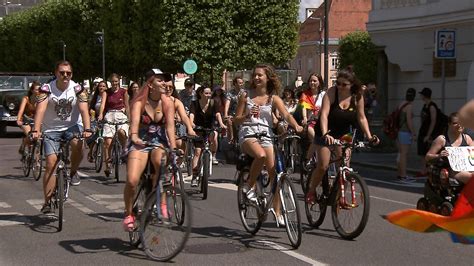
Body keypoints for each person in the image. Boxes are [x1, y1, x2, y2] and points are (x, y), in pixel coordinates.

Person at [234, 64, 303, 225]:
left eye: (260, 75)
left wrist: (297, 126)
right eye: (255, 75)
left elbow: (286, 114)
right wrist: (247, 115)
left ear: (268, 78)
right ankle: (249, 188)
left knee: (275, 176)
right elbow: (236, 120)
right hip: (248, 134)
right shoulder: (246, 95)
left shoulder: (274, 99)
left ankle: (277, 212)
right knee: (261, 155)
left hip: (266, 135)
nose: (256, 78)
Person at [305, 69, 379, 203]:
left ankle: (338, 198)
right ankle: (311, 191)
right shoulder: (332, 92)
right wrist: (326, 133)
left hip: (344, 133)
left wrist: (369, 137)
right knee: (323, 165)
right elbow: (324, 115)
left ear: (352, 85)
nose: (340, 86)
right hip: (325, 131)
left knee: (344, 166)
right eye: (338, 83)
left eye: (344, 84)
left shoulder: (357, 96)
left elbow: (361, 118)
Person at [31, 60, 92, 213]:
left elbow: (84, 110)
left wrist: (88, 128)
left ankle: (73, 172)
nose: (65, 75)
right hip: (51, 129)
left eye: (68, 73)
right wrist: (36, 130)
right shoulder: (46, 89)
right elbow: (40, 110)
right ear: (56, 73)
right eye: (62, 72)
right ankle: (47, 202)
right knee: (51, 163)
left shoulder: (78, 89)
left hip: (72, 126)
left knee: (78, 144)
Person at [122, 68, 177, 231]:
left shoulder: (168, 102)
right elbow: (134, 126)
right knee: (132, 180)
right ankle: (128, 213)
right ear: (150, 84)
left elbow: (170, 127)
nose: (164, 83)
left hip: (158, 141)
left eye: (165, 80)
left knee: (160, 163)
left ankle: (160, 203)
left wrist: (173, 147)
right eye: (159, 80)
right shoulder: (139, 102)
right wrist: (134, 138)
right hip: (141, 140)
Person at [189, 85, 227, 183]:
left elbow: (218, 114)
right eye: (206, 93)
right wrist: (191, 123)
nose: (208, 95)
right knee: (197, 151)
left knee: (214, 135)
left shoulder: (214, 103)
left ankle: (213, 155)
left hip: (210, 128)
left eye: (210, 93)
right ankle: (195, 175)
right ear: (200, 94)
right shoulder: (195, 103)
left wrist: (221, 123)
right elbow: (192, 114)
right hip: (198, 129)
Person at [425, 112, 473, 184]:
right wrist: (439, 155)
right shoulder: (442, 139)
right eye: (455, 123)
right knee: (472, 177)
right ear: (449, 124)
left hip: (468, 168)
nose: (459, 125)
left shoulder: (467, 138)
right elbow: (427, 157)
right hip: (453, 172)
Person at [99, 73, 130, 177]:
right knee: (108, 142)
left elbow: (127, 105)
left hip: (121, 115)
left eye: (116, 81)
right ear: (110, 82)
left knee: (122, 133)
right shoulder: (106, 92)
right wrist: (100, 115)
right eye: (112, 82)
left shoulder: (123, 92)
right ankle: (108, 166)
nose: (114, 83)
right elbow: (103, 105)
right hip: (110, 115)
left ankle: (124, 153)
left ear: (119, 81)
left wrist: (129, 117)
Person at [163, 79, 196, 156]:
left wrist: (190, 129)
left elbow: (184, 116)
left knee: (180, 142)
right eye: (165, 87)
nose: (168, 89)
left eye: (170, 87)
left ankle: (179, 162)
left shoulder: (176, 101)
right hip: (159, 132)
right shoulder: (156, 100)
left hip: (172, 130)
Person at [300, 73, 326, 166]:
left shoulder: (324, 94)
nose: (312, 82)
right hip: (311, 121)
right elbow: (304, 108)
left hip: (322, 122)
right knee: (315, 137)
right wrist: (305, 118)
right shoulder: (305, 94)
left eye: (315, 81)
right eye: (311, 81)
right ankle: (310, 158)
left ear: (319, 82)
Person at [396, 88, 417, 182]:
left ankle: (400, 174)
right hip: (405, 132)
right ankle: (403, 176)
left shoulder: (401, 104)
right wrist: (413, 133)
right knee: (404, 154)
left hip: (399, 131)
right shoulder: (409, 106)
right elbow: (409, 121)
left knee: (400, 154)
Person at [417, 87, 438, 177]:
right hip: (423, 132)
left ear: (425, 96)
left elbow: (433, 121)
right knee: (422, 152)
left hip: (428, 134)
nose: (420, 96)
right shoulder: (425, 105)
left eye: (422, 94)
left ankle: (428, 171)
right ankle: (424, 170)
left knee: (428, 153)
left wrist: (428, 135)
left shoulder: (432, 106)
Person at [86, 80, 107, 162]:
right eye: (100, 86)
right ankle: (90, 152)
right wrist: (91, 112)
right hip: (96, 118)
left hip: (105, 118)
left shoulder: (107, 96)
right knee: (94, 134)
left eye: (103, 86)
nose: (101, 88)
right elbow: (91, 107)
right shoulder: (95, 96)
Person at [17, 81, 40, 154]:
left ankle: (36, 163)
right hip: (26, 120)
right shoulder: (26, 99)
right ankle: (24, 143)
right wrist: (18, 119)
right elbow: (21, 110)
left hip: (36, 121)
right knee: (30, 136)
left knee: (37, 140)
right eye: (36, 89)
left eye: (40, 90)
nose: (38, 91)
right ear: (32, 90)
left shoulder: (41, 99)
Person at [224, 75, 245, 144]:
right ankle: (232, 138)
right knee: (229, 121)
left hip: (242, 114)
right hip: (232, 114)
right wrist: (226, 114)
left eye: (242, 83)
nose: (241, 84)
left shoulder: (244, 92)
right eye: (240, 83)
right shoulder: (230, 93)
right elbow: (227, 104)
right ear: (235, 84)